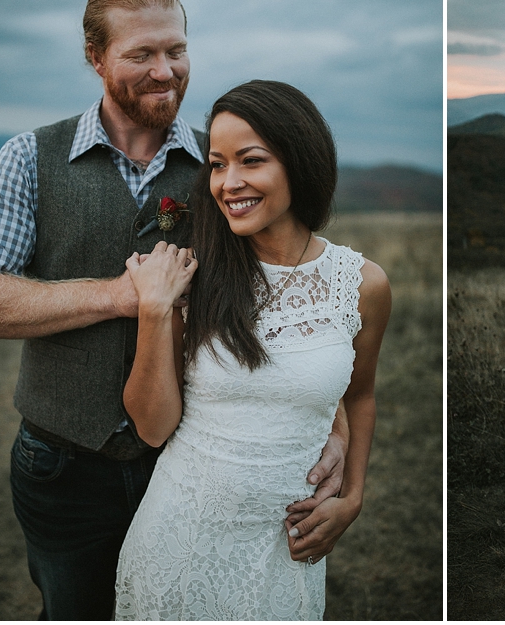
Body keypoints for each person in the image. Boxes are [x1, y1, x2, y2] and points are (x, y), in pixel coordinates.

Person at [0, 0, 346, 620]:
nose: (165, 71)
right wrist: (118, 295)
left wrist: (335, 424)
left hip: (197, 466)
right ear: (94, 56)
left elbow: (294, 298)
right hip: (63, 465)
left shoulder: (224, 167)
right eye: (141, 54)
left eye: (177, 50)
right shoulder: (29, 158)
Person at [112, 80, 391, 620]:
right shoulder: (194, 275)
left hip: (285, 550)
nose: (229, 182)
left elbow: (359, 397)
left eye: (251, 160)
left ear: (300, 162)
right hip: (179, 543)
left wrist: (352, 496)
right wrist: (154, 310)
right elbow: (151, 426)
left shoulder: (361, 284)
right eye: (217, 164)